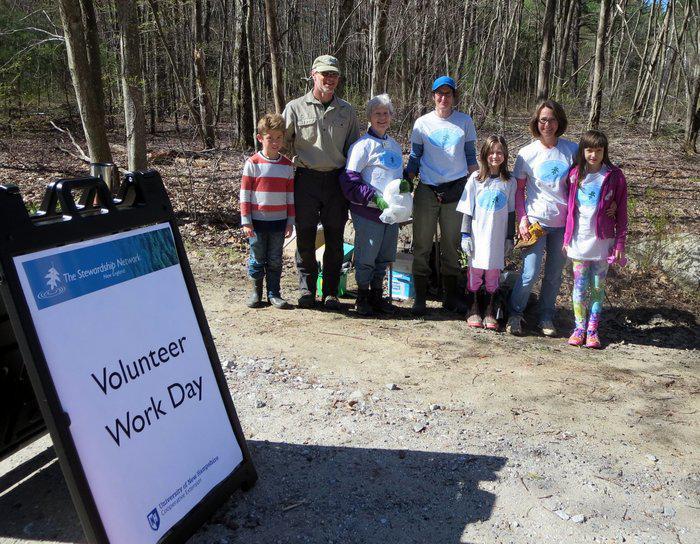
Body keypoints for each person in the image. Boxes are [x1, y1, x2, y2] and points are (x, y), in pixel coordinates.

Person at [282, 54, 361, 310]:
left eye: (334, 75)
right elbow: (279, 140)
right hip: (305, 179)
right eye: (325, 74)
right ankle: (306, 290)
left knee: (335, 237)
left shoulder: (347, 111)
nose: (329, 79)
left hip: (336, 181)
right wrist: (289, 160)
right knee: (304, 236)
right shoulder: (295, 107)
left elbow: (355, 149)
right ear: (313, 74)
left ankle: (329, 292)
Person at [405, 76, 478, 316]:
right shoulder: (422, 123)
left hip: (456, 190)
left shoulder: (464, 122)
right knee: (422, 245)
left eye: (448, 93)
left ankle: (450, 297)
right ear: (433, 96)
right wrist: (406, 181)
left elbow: (470, 157)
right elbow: (415, 157)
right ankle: (420, 299)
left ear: (454, 96)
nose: (443, 98)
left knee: (451, 245)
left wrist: (480, 183)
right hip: (427, 189)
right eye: (439, 93)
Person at [506, 99, 578, 336]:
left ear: (560, 122)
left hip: (564, 224)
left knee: (554, 275)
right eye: (543, 120)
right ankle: (515, 314)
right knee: (530, 272)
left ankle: (546, 317)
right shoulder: (527, 154)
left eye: (552, 119)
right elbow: (519, 191)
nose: (548, 124)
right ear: (537, 122)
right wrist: (522, 219)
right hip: (536, 222)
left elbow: (583, 185)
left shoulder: (572, 150)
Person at [340, 94, 407, 316]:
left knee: (385, 255)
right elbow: (349, 181)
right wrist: (373, 197)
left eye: (386, 113)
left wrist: (405, 186)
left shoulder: (395, 146)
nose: (382, 117)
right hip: (368, 212)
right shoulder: (361, 146)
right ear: (369, 117)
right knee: (366, 256)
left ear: (391, 117)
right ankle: (363, 296)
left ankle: (378, 295)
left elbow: (397, 176)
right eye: (377, 113)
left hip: (392, 213)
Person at [563, 130, 628, 349]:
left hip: (603, 241)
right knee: (579, 286)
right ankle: (579, 328)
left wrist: (620, 243)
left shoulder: (614, 176)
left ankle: (592, 330)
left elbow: (622, 213)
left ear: (604, 152)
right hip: (579, 239)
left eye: (598, 151)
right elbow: (570, 209)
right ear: (583, 151)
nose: (593, 155)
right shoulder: (574, 175)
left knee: (598, 287)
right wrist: (566, 238)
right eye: (589, 150)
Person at [458, 135, 516, 330]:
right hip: (478, 234)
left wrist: (509, 237)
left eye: (499, 152)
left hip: (497, 237)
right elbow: (467, 208)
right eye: (491, 152)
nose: (495, 156)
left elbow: (511, 211)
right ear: (484, 154)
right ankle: (473, 307)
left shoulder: (509, 181)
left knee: (493, 273)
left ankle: (490, 308)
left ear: (505, 155)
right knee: (475, 271)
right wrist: (465, 235)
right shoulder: (475, 179)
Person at [240, 113, 295, 309]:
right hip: (256, 222)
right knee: (257, 258)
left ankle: (274, 293)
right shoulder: (253, 163)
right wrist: (246, 221)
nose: (275, 142)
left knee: (274, 259)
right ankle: (256, 293)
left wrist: (290, 221)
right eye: (270, 138)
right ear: (260, 138)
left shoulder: (287, 166)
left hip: (279, 222)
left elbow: (290, 196)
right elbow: (245, 194)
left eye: (279, 137)